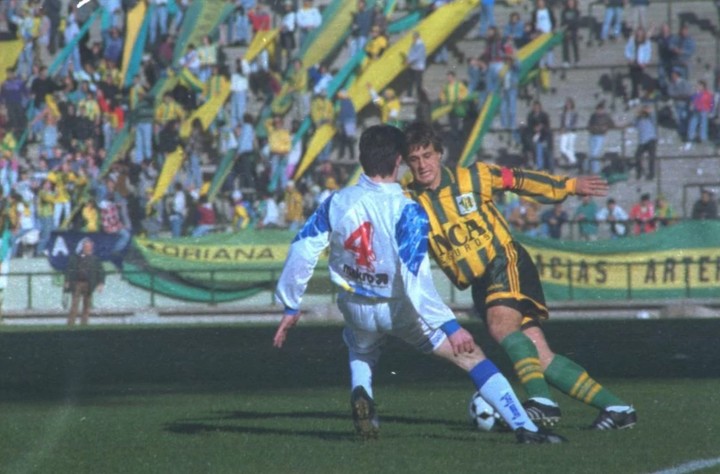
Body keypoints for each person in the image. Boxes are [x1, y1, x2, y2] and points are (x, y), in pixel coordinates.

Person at [273, 125, 564, 444]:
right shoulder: (408, 209)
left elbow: (302, 246)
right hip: (399, 308)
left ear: (362, 158)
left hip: (354, 304)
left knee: (361, 346)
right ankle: (527, 428)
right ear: (399, 160)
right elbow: (416, 280)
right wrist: (451, 326)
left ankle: (362, 391)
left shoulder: (337, 201)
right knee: (471, 357)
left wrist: (290, 304)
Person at [403, 121, 637, 430]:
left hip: (504, 261)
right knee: (540, 357)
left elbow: (520, 180)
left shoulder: (473, 176)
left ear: (440, 154)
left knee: (501, 328)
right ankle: (617, 408)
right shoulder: (406, 199)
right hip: (479, 282)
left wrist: (567, 186)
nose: (423, 165)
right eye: (415, 159)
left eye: (428, 155)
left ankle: (542, 403)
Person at [64, 238, 106, 326]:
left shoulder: (95, 259)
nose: (87, 248)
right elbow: (69, 270)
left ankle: (84, 323)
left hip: (89, 284)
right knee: (74, 304)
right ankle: (71, 323)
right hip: (77, 283)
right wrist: (67, 281)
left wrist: (101, 283)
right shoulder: (75, 258)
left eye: (89, 246)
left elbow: (101, 271)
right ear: (83, 247)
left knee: (86, 305)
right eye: (86, 246)